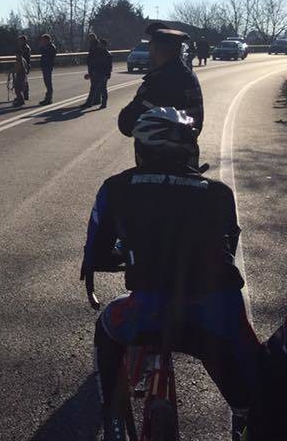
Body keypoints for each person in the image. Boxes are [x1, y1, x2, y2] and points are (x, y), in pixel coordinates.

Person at [80, 108, 258, 441]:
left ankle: (114, 424)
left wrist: (113, 261)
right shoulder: (219, 193)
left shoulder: (115, 187)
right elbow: (227, 249)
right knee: (254, 385)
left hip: (147, 310)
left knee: (107, 329)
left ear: (141, 150)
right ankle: (248, 415)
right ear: (190, 149)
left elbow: (96, 252)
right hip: (215, 315)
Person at [118, 25, 204, 136]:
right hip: (185, 144)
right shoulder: (188, 75)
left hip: (160, 145)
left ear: (157, 50)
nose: (149, 53)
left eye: (150, 48)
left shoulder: (161, 81)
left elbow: (128, 123)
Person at [82, 33, 102, 108]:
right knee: (96, 85)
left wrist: (93, 69)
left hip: (94, 67)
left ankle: (90, 102)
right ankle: (97, 99)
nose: (89, 40)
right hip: (94, 67)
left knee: (94, 85)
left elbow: (95, 57)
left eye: (90, 38)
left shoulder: (95, 45)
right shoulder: (95, 45)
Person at [38, 33, 57, 105]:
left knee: (48, 83)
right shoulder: (45, 46)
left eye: (43, 40)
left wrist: (44, 47)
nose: (42, 41)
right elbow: (40, 51)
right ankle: (47, 98)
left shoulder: (51, 47)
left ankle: (49, 99)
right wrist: (42, 46)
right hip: (45, 66)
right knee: (47, 82)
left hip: (48, 66)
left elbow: (50, 56)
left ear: (47, 40)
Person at [12, 36, 30, 107]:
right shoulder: (22, 56)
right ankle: (22, 97)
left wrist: (14, 71)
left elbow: (18, 66)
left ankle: (21, 99)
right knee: (22, 84)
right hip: (24, 70)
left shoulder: (25, 49)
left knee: (18, 87)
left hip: (21, 72)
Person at [96, 38, 113, 108]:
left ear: (103, 45)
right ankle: (99, 101)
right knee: (99, 88)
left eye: (100, 43)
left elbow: (109, 66)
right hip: (99, 73)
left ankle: (104, 103)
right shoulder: (99, 52)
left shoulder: (107, 54)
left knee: (103, 89)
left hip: (104, 74)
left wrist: (107, 74)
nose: (98, 45)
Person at [18, 35, 31, 101]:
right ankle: (24, 95)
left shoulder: (25, 48)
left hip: (24, 65)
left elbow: (23, 57)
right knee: (24, 80)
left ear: (24, 40)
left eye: (20, 40)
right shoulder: (24, 47)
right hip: (24, 65)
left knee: (22, 81)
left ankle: (23, 95)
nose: (19, 42)